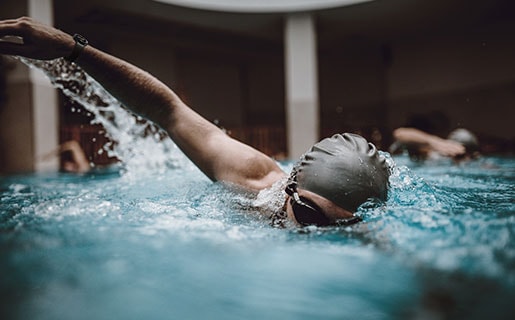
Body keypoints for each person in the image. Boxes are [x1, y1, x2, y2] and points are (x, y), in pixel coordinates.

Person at [0, 17, 389, 227]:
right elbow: (168, 110)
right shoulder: (255, 180)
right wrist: (73, 48)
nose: (310, 232)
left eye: (332, 229)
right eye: (306, 215)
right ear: (289, 188)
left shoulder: (362, 235)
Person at [390, 127, 480, 162]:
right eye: (457, 155)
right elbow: (399, 134)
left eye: (463, 155)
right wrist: (435, 142)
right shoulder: (436, 158)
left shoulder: (477, 163)